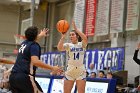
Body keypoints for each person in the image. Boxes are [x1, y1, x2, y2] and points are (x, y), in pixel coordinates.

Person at [3, 26, 62, 93]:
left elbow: (32, 39)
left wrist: (41, 35)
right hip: (25, 77)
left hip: (13, 77)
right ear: (35, 36)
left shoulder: (24, 43)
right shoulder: (34, 46)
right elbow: (35, 62)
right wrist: (52, 68)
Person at [57, 21, 88, 93]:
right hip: (70, 70)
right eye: (70, 35)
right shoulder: (68, 45)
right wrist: (62, 37)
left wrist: (76, 30)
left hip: (80, 70)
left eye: (73, 35)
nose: (71, 36)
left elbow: (85, 38)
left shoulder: (82, 44)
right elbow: (59, 48)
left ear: (77, 36)